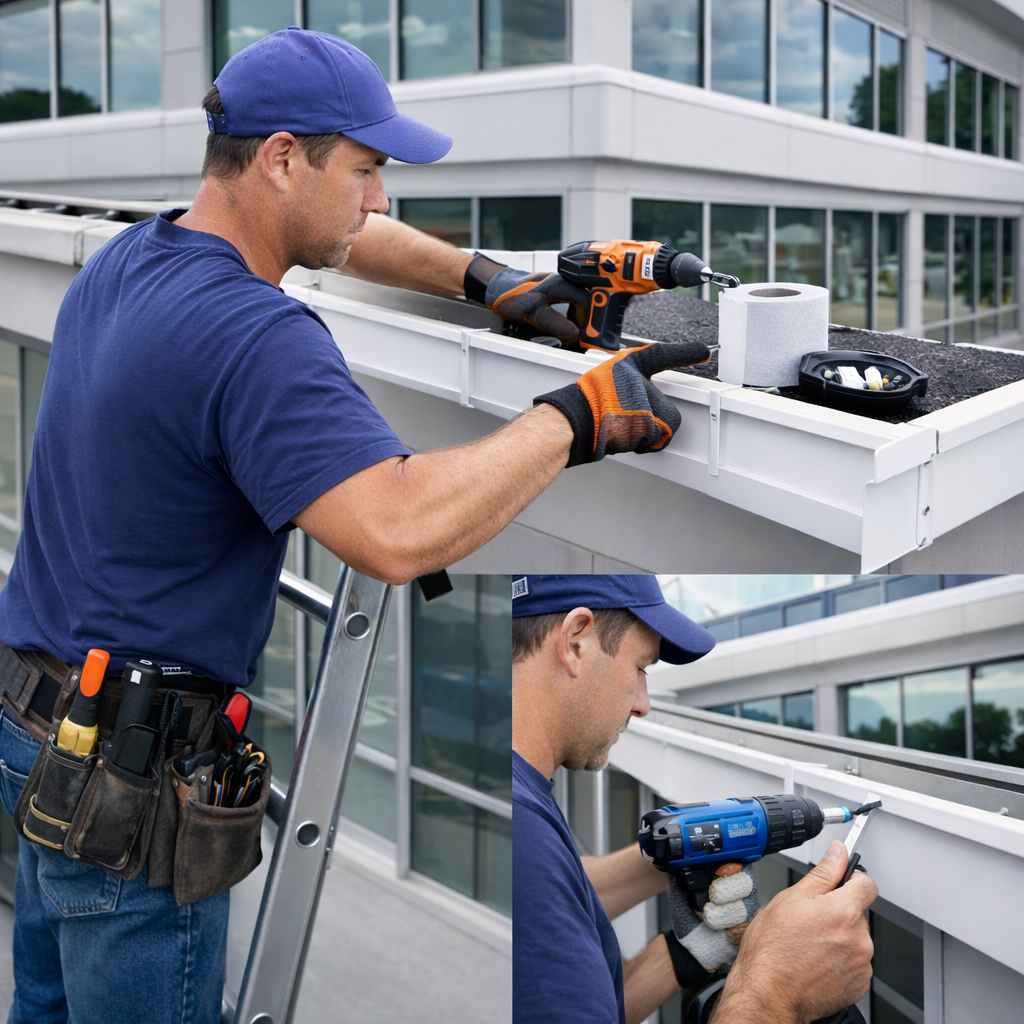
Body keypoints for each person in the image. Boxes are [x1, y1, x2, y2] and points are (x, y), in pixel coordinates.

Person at [0, 28, 712, 1024]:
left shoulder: (138, 256)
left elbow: (343, 233)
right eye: (369, 169)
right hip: (132, 796)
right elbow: (396, 526)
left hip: (34, 736)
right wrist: (577, 417)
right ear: (284, 157)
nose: (380, 199)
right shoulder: (256, 335)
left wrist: (485, 279)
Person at [512, 574, 879, 1024]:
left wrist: (686, 950)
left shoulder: (525, 802)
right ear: (575, 641)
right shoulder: (526, 841)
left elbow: (572, 924)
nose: (643, 703)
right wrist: (774, 990)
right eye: (641, 667)